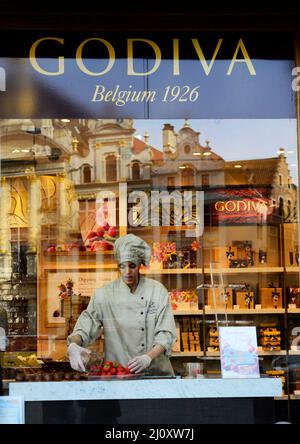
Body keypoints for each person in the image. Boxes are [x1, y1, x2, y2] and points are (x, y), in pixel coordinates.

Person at [67, 233, 177, 376]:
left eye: (132, 266)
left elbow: (166, 334)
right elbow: (85, 327)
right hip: (120, 375)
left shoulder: (157, 291)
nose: (127, 272)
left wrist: (148, 357)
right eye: (122, 266)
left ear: (140, 265)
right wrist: (73, 345)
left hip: (155, 373)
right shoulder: (104, 295)